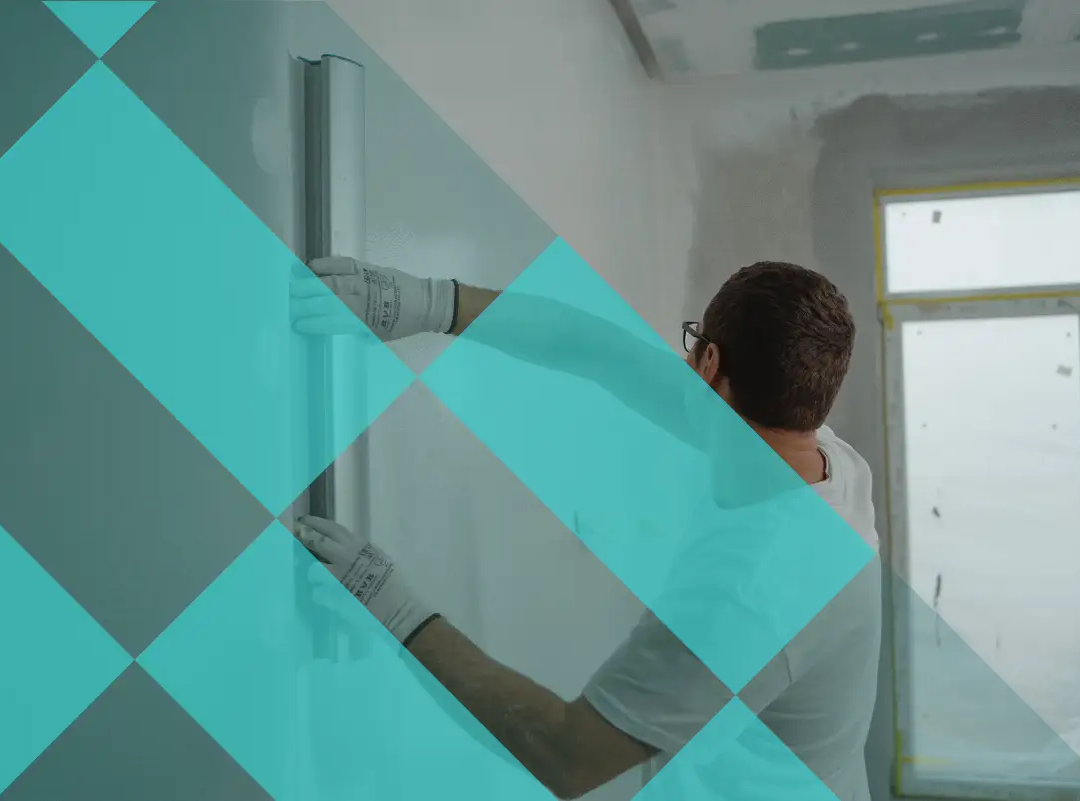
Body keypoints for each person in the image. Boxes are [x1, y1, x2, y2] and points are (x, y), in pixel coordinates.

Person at [290, 257, 882, 800]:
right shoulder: (820, 460)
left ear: (709, 364)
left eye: (693, 342)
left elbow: (565, 757)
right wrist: (431, 303)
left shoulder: (754, 591)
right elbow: (599, 351)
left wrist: (394, 613)